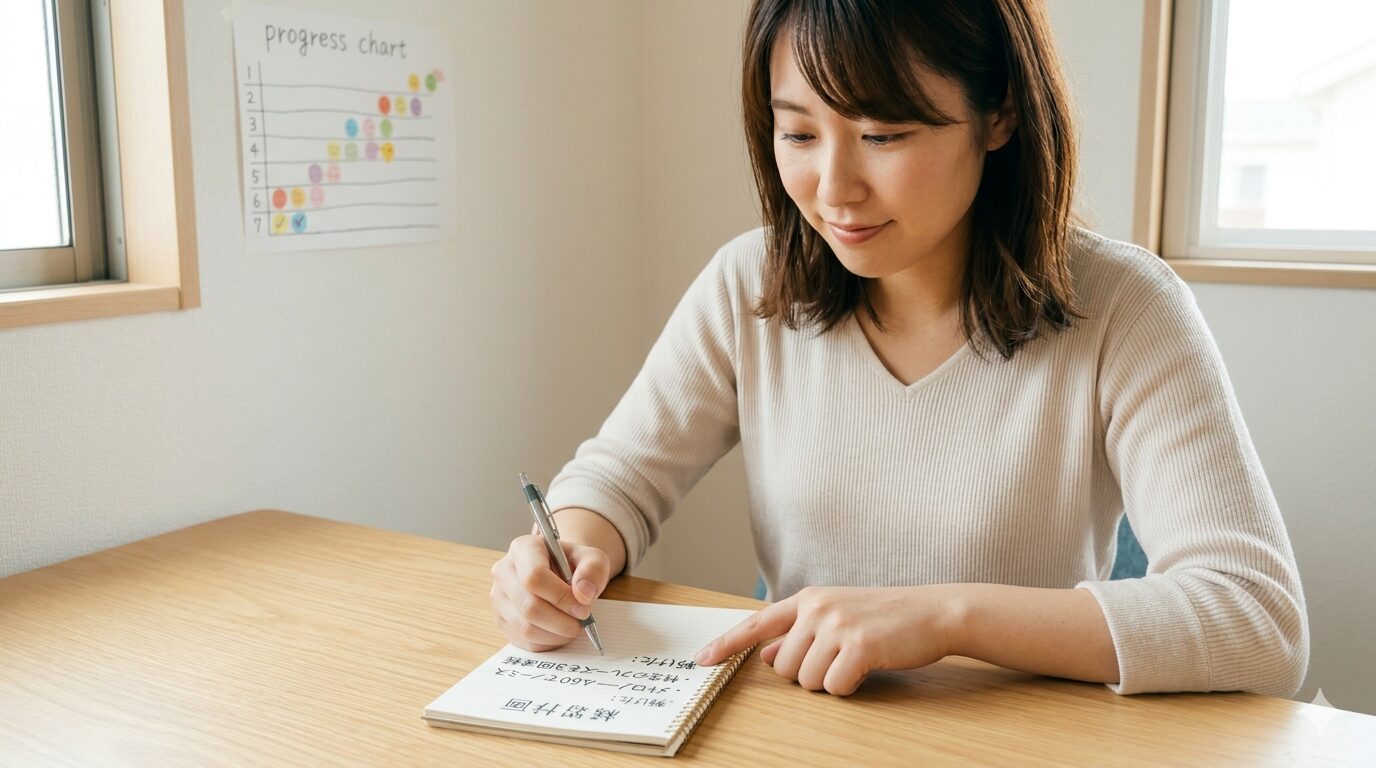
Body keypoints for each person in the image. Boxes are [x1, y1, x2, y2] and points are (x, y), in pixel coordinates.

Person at [488, 0, 1308, 698]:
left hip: (1023, 734)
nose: (834, 188)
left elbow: (1257, 618)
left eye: (883, 135)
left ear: (999, 115)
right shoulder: (751, 281)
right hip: (807, 720)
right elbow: (619, 477)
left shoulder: (1127, 309)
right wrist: (568, 552)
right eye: (798, 134)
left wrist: (941, 617)